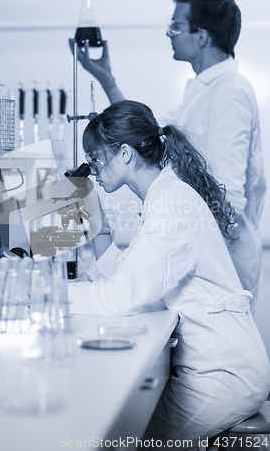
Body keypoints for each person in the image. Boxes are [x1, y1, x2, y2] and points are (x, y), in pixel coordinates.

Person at [67, 100, 270, 450]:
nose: (93, 171)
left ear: (126, 154)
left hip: (222, 376)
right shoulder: (165, 197)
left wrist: (47, 297)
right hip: (214, 367)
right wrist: (98, 227)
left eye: (96, 159)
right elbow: (135, 284)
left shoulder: (172, 206)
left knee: (117, 438)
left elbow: (122, 296)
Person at [69, 0, 266, 315]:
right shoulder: (201, 90)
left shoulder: (229, 94)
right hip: (193, 257)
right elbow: (145, 132)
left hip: (218, 272)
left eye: (175, 26)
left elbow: (226, 198)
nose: (168, 33)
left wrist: (166, 225)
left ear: (201, 36)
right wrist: (106, 80)